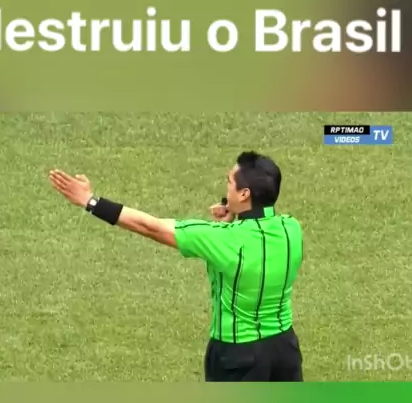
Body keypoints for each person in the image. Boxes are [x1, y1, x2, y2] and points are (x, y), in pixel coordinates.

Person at [49, 151, 304, 381]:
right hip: (285, 351)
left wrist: (90, 201)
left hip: (239, 356)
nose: (226, 188)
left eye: (229, 182)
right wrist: (233, 218)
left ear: (244, 194)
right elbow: (255, 250)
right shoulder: (291, 228)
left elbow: (151, 227)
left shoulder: (221, 239)